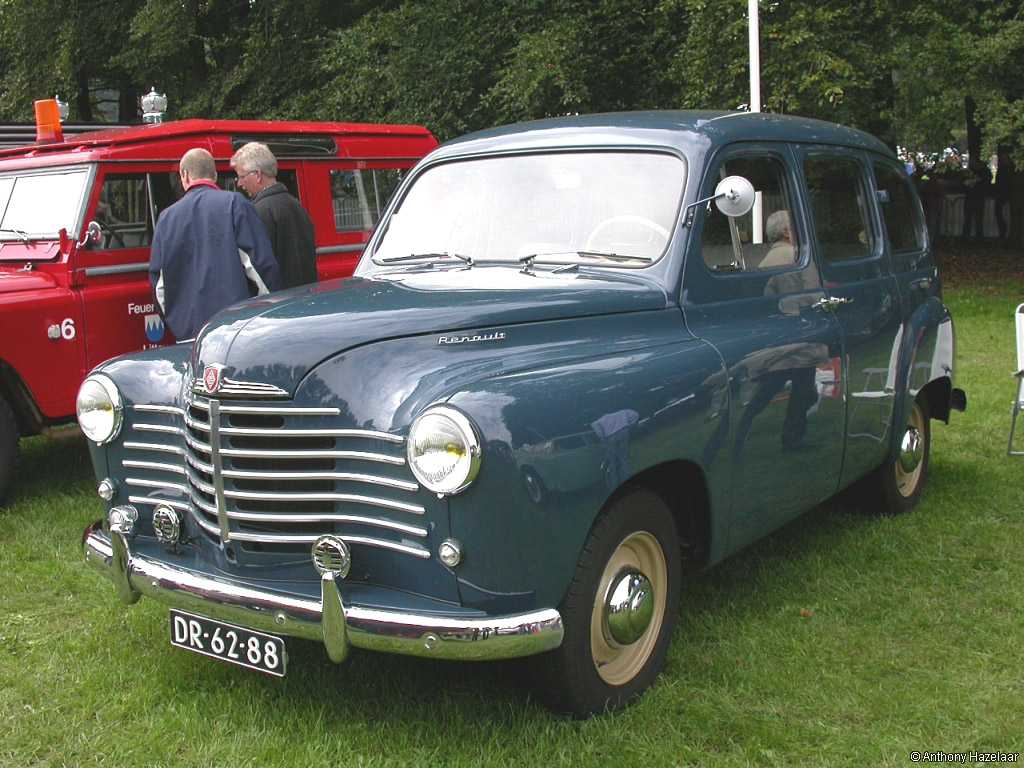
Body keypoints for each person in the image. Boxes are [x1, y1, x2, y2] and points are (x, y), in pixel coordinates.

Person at [149, 148, 280, 340]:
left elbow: (160, 286)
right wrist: (268, 314)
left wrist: (176, 322)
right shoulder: (235, 204)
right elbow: (260, 266)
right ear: (215, 175)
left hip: (189, 334)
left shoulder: (166, 218)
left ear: (184, 175)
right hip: (236, 329)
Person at [230, 142, 317, 288]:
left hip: (277, 304)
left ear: (257, 175)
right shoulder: (296, 205)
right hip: (305, 299)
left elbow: (258, 271)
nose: (239, 183)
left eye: (241, 176)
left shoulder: (257, 212)